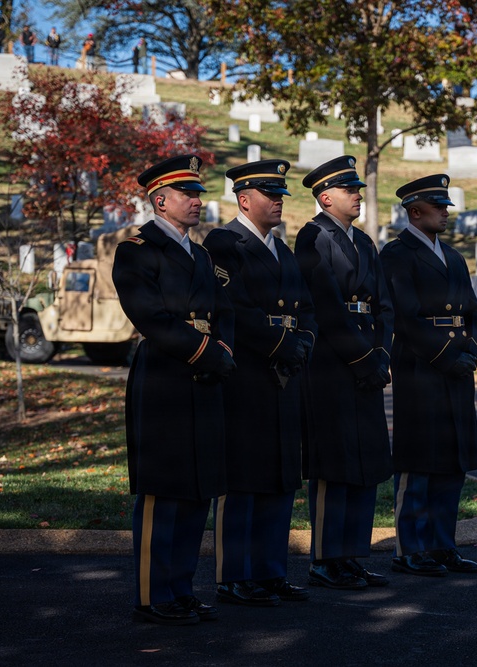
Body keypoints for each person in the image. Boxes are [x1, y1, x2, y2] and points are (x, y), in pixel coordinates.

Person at [111, 154, 236, 626]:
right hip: (164, 377)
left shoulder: (201, 254)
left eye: (199, 194)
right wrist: (207, 351)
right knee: (163, 491)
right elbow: (151, 318)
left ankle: (182, 588)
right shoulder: (137, 250)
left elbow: (223, 310)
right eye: (188, 195)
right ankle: (152, 594)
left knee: (195, 490)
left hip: (205, 376)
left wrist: (223, 349)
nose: (197, 202)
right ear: (160, 201)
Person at [203, 160, 317, 608]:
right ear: (244, 199)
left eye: (281, 195)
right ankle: (234, 576)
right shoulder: (224, 242)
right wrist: (280, 344)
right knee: (244, 479)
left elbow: (306, 308)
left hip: (284, 374)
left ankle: (270, 572)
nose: (278, 202)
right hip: (249, 373)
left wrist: (303, 342)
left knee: (279, 477)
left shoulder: (282, 250)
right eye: (270, 195)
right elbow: (233, 308)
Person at [294, 155, 394, 590]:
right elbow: (327, 307)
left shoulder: (365, 242)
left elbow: (383, 305)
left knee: (365, 463)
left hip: (367, 361)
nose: (358, 194)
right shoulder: (313, 237)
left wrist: (381, 354)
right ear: (325, 196)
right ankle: (325, 558)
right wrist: (361, 358)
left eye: (357, 188)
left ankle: (352, 555)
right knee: (334, 466)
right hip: (334, 365)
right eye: (349, 189)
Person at [379, 174, 477, 577]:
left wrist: (471, 349)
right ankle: (411, 549)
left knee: (451, 461)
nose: (445, 213)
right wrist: (444, 355)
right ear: (415, 210)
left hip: (457, 368)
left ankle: (443, 545)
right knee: (419, 461)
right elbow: (405, 318)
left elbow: (473, 310)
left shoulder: (453, 257)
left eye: (445, 207)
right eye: (438, 207)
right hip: (421, 368)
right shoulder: (396, 254)